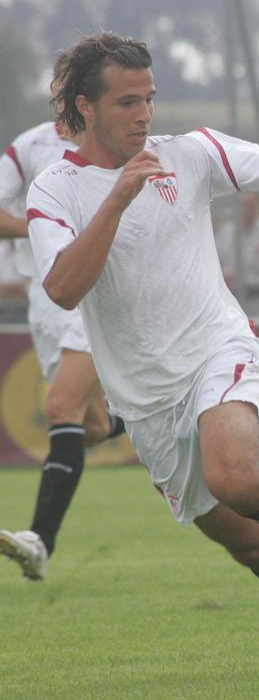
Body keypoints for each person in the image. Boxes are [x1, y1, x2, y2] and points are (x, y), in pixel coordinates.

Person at [26, 33, 259, 667]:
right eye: (126, 102)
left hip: (214, 344)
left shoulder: (191, 153)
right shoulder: (54, 191)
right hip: (144, 396)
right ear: (84, 107)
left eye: (148, 98)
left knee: (234, 476)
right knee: (250, 545)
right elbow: (64, 288)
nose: (144, 115)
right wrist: (118, 198)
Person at [0, 117, 127, 582]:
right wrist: (41, 225)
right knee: (90, 426)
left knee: (59, 406)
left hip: (95, 292)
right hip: (44, 298)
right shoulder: (28, 144)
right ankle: (144, 414)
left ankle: (40, 541)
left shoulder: (119, 140)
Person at [215, 192, 259, 318]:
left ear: (258, 206)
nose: (246, 209)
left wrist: (246, 280)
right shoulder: (225, 233)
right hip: (230, 302)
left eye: (250, 204)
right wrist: (224, 275)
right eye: (242, 204)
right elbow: (213, 264)